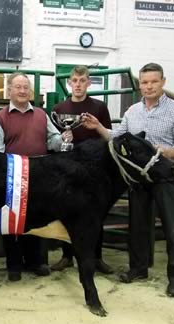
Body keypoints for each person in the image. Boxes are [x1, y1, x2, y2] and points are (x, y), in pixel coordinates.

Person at [82, 62, 174, 297]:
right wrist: (99, 127)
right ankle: (139, 269)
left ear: (163, 82)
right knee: (138, 225)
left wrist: (161, 151)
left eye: (154, 81)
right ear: (139, 84)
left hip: (165, 175)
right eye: (145, 82)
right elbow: (118, 137)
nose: (149, 86)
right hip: (139, 177)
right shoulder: (133, 112)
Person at [0, 72, 70, 281]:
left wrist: (62, 140)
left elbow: (52, 140)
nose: (23, 91)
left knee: (38, 220)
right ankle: (14, 265)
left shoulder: (42, 115)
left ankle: (38, 262)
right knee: (11, 223)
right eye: (18, 87)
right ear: (9, 90)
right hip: (11, 180)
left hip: (40, 179)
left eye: (26, 87)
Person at [49, 65, 113, 275]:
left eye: (82, 80)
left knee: (96, 215)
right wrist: (63, 139)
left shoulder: (100, 107)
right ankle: (67, 256)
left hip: (94, 170)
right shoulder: (58, 109)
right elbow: (54, 139)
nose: (78, 84)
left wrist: (97, 127)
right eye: (74, 80)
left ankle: (97, 258)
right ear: (69, 82)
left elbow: (107, 137)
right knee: (67, 213)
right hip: (67, 169)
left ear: (89, 82)